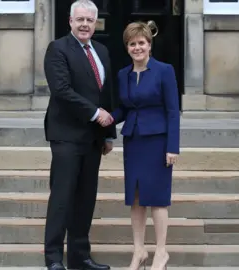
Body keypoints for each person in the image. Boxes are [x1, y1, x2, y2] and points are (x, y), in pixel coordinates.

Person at [99, 21, 180, 270]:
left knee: (157, 198)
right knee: (135, 198)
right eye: (132, 44)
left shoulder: (164, 71)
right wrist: (110, 117)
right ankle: (139, 251)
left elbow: (173, 111)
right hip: (133, 140)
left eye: (141, 43)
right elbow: (125, 108)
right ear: (127, 47)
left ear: (149, 44)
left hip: (158, 141)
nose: (137, 48)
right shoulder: (123, 74)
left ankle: (161, 253)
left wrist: (172, 147)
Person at [42, 0, 117, 269]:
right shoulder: (58, 49)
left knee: (86, 199)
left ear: (95, 23)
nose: (85, 24)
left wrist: (108, 134)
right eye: (80, 19)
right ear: (70, 21)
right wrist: (97, 114)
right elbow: (62, 91)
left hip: (93, 138)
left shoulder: (102, 51)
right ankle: (53, 258)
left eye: (89, 20)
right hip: (66, 135)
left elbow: (105, 92)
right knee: (62, 198)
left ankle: (79, 256)